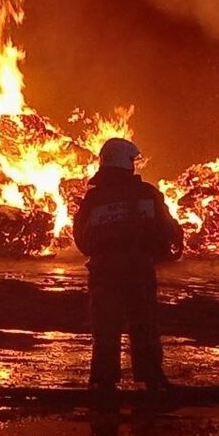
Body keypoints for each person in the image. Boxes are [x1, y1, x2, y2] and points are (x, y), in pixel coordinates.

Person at [73, 138, 183, 393]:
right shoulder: (147, 193)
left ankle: (103, 382)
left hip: (103, 273)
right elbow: (167, 229)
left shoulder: (94, 198)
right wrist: (159, 253)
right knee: (144, 325)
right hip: (138, 270)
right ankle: (152, 379)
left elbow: (81, 238)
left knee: (105, 329)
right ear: (127, 162)